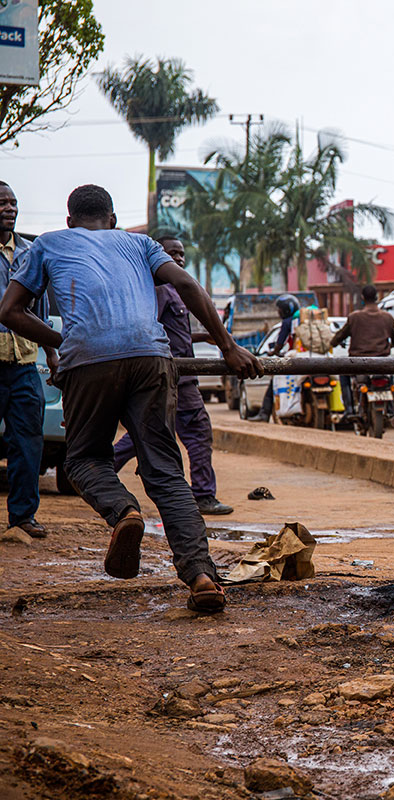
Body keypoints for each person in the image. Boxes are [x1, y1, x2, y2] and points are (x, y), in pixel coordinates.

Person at [0, 184, 262, 613]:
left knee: (84, 460)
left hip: (88, 362)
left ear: (69, 221)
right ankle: (200, 576)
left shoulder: (47, 244)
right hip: (151, 357)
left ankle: (124, 512)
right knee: (165, 471)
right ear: (113, 220)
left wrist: (62, 341)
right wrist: (228, 346)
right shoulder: (140, 243)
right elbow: (187, 284)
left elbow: (10, 311)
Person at [110, 236, 233, 516]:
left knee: (147, 430)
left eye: (181, 254)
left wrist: (204, 335)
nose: (178, 259)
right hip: (176, 375)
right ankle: (203, 494)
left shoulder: (170, 290)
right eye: (172, 253)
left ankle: (99, 472)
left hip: (173, 373)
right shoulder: (160, 290)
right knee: (198, 431)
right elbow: (150, 328)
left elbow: (175, 332)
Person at [0, 181, 52, 539]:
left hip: (24, 365)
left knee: (28, 440)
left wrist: (53, 352)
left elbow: (42, 312)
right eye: (2, 202)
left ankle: (22, 517)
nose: (9, 208)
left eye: (13, 203)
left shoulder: (30, 253)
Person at [248, 293, 300, 422]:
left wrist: (273, 352)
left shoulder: (287, 322)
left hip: (295, 357)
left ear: (286, 310)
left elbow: (280, 342)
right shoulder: (300, 320)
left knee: (273, 382)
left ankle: (264, 413)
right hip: (310, 357)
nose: (278, 312)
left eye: (280, 310)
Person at [330, 284, 394, 357]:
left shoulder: (354, 317)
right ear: (376, 297)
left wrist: (333, 343)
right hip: (381, 361)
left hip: (358, 362)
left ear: (362, 297)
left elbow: (339, 337)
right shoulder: (387, 318)